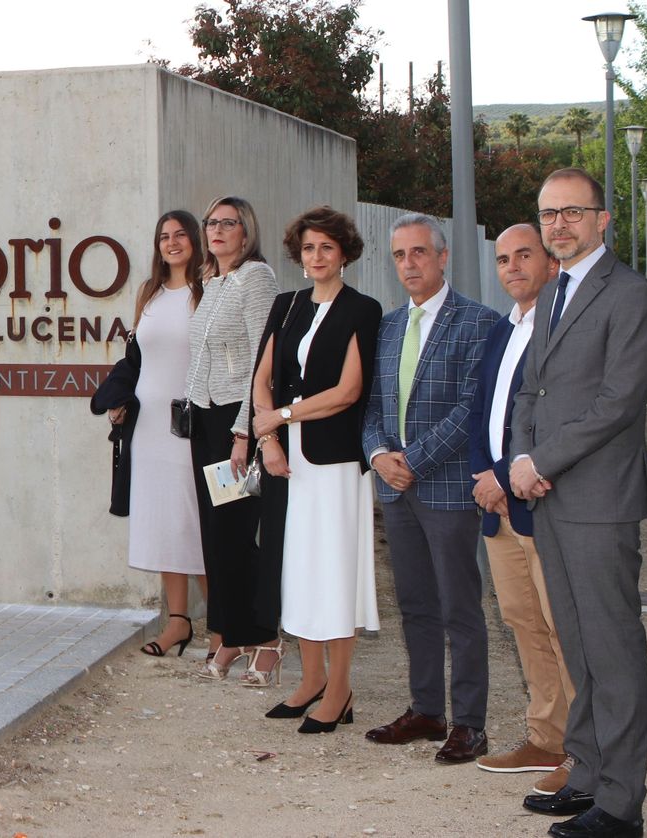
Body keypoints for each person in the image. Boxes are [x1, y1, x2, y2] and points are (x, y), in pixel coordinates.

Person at [513, 169, 647, 838]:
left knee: (613, 650)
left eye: (572, 212)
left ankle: (622, 806)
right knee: (576, 644)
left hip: (599, 501)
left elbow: (616, 405)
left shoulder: (630, 295)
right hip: (549, 497)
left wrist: (542, 460)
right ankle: (590, 775)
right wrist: (521, 457)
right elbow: (529, 392)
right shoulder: (552, 294)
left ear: (604, 220)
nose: (558, 225)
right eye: (548, 214)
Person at [360, 212, 499, 763]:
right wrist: (377, 456)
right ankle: (425, 710)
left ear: (443, 258)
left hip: (444, 488)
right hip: (396, 489)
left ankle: (469, 723)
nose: (409, 264)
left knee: (459, 604)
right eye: (400, 255)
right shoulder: (389, 326)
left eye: (419, 252)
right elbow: (372, 404)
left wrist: (412, 460)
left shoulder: (480, 322)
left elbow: (473, 409)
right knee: (414, 604)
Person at [250, 207, 381, 732]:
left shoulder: (363, 310)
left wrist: (280, 416)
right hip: (288, 460)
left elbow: (348, 392)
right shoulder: (285, 307)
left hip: (334, 461)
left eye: (327, 247)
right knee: (298, 569)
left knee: (334, 569)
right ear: (299, 256)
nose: (318, 256)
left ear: (344, 252)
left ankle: (341, 687)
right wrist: (271, 439)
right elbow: (262, 378)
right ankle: (310, 681)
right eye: (309, 248)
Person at [466, 224, 571, 790]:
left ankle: (584, 750)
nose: (512, 267)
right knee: (523, 622)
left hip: (541, 503)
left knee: (562, 626)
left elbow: (557, 421)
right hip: (497, 506)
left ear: (551, 262)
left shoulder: (562, 329)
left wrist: (506, 478)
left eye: (523, 255)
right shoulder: (502, 329)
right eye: (503, 259)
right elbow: (484, 409)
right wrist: (486, 476)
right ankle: (546, 739)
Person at [184, 196, 279, 683]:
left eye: (229, 223)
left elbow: (264, 359)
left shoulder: (255, 278)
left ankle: (265, 637)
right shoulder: (210, 280)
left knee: (238, 535)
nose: (217, 230)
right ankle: (228, 636)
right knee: (216, 538)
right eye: (211, 223)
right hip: (204, 421)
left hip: (235, 426)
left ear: (247, 232)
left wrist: (245, 432)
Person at [110, 210, 204, 657]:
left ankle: (224, 627)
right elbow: (137, 361)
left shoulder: (205, 292)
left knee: (198, 523)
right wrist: (120, 403)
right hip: (147, 427)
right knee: (165, 523)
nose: (171, 243)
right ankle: (179, 623)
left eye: (180, 234)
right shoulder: (148, 294)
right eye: (164, 236)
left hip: (190, 426)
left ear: (194, 240)